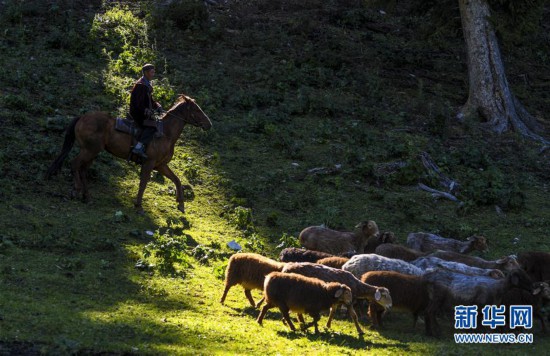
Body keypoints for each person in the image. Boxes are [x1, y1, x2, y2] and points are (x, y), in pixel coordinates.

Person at [129, 63, 163, 159]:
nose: (153, 74)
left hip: (142, 112)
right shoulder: (141, 85)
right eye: (152, 72)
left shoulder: (146, 84)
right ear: (146, 72)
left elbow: (150, 100)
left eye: (154, 72)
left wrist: (157, 106)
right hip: (137, 113)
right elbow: (138, 104)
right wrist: (146, 110)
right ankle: (138, 147)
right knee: (152, 127)